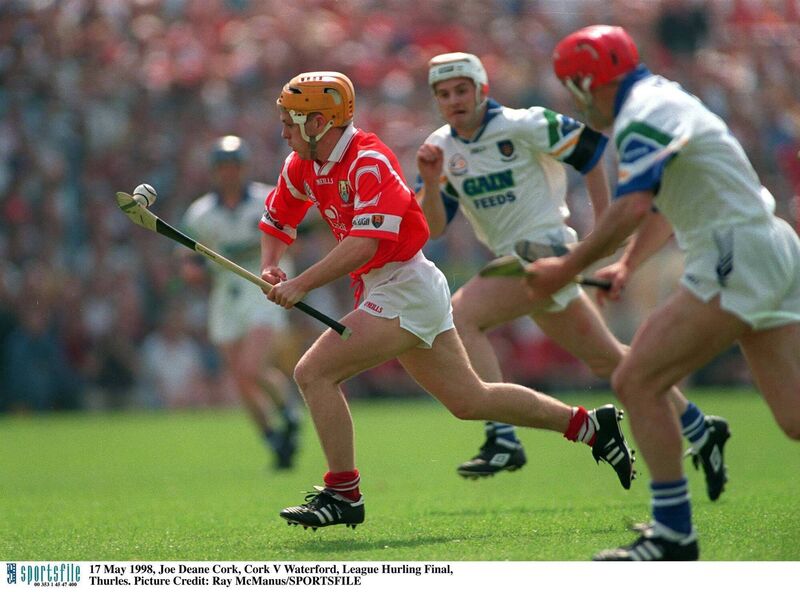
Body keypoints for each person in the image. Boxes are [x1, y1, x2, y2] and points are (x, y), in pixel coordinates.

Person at [259, 71, 634, 531]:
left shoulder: (368, 161)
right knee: (470, 400)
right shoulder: (302, 163)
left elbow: (365, 244)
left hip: (405, 286)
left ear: (318, 122)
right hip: (390, 288)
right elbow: (278, 218)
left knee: (313, 371)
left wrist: (301, 284)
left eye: (290, 123)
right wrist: (271, 265)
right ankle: (592, 427)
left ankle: (343, 494)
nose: (283, 132)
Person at [528, 25, 800, 560]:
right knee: (794, 418)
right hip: (767, 247)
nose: (572, 99)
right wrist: (627, 264)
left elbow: (630, 207)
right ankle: (673, 533)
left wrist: (565, 268)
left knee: (637, 380)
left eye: (572, 86)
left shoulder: (641, 114)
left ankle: (674, 534)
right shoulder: (661, 99)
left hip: (734, 253)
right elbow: (658, 204)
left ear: (588, 80)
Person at [416, 52, 730, 501]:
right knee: (609, 361)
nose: (454, 100)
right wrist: (430, 183)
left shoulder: (524, 123)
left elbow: (592, 152)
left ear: (482, 89)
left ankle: (501, 436)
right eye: (444, 94)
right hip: (523, 263)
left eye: (462, 89)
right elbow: (435, 226)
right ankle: (702, 428)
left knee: (463, 317)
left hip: (546, 250)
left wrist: (604, 231)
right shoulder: (440, 148)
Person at [181, 135, 300, 469]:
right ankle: (273, 438)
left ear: (244, 167)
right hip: (226, 293)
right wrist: (191, 270)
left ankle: (288, 411)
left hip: (263, 288)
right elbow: (189, 257)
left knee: (252, 367)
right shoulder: (201, 212)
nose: (229, 173)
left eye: (235, 166)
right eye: (223, 167)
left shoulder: (266, 199)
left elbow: (293, 238)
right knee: (240, 377)